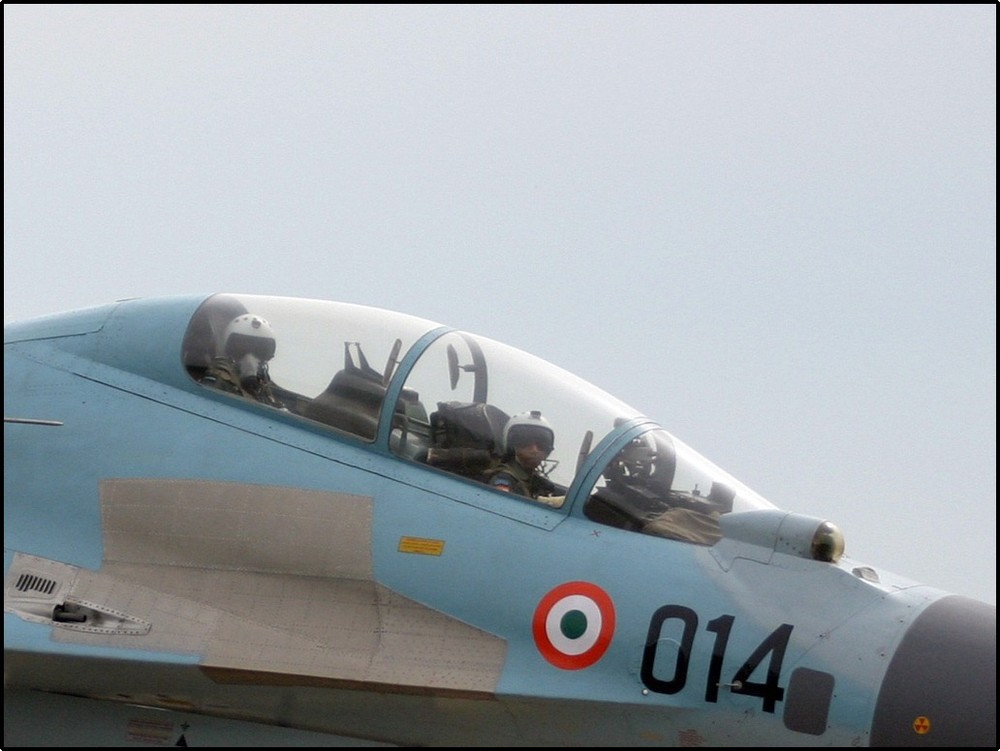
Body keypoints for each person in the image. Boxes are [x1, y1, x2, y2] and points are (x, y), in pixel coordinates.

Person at [202, 314, 282, 407]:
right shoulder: (218, 382)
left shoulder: (265, 387)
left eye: (260, 350)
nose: (250, 358)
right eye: (241, 349)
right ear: (228, 349)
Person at [486, 411, 563, 507]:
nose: (535, 450)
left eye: (542, 443)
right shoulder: (504, 479)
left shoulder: (535, 481)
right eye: (525, 442)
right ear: (511, 445)